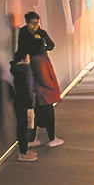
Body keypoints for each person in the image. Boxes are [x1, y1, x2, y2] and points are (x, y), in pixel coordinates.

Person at [12, 10, 65, 161]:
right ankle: (45, 138)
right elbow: (34, 48)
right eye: (33, 24)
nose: (36, 26)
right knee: (42, 105)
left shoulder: (34, 33)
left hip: (39, 70)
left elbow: (50, 45)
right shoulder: (26, 35)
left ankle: (33, 138)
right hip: (40, 69)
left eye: (37, 23)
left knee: (36, 108)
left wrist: (42, 39)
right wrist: (40, 41)